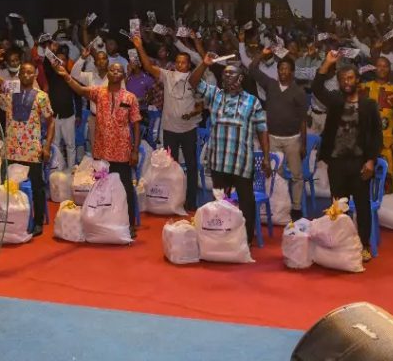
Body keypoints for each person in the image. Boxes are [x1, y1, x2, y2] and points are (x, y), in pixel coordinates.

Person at [189, 54, 270, 245]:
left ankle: (246, 239)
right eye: (224, 75)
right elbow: (193, 82)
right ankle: (219, 235)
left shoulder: (252, 101)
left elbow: (262, 130)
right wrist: (204, 64)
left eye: (230, 75)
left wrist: (266, 157)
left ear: (240, 78)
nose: (225, 78)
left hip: (242, 162)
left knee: (246, 203)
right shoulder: (215, 95)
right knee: (219, 202)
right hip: (218, 161)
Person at [55, 61, 142, 234]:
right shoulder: (98, 92)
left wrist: (134, 150)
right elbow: (80, 90)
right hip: (102, 151)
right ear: (107, 74)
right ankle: (105, 220)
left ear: (123, 75)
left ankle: (130, 223)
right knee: (102, 188)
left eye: (119, 70)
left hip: (122, 151)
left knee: (125, 187)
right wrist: (66, 76)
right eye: (112, 69)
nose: (115, 72)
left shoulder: (130, 97)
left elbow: (136, 125)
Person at [313, 50, 382, 262]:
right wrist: (327, 63)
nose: (346, 82)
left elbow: (377, 136)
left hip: (360, 164)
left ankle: (363, 245)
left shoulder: (369, 106)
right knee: (338, 208)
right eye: (343, 79)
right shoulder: (334, 102)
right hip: (337, 163)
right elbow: (316, 88)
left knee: (362, 208)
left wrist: (371, 161)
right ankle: (340, 244)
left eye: (350, 78)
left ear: (358, 80)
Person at [131, 36, 203, 212]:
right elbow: (148, 66)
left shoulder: (194, 79)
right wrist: (140, 47)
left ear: (188, 65)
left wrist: (192, 113)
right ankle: (172, 201)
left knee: (192, 166)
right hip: (170, 129)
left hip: (188, 129)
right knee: (171, 167)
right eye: (178, 62)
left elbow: (201, 105)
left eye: (183, 63)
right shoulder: (168, 75)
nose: (180, 65)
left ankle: (191, 202)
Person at [0, 61, 55, 237]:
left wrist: (47, 146)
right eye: (23, 73)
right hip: (10, 148)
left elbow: (50, 121)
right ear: (19, 75)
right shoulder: (9, 94)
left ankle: (38, 221)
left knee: (37, 186)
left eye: (30, 73)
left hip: (32, 148)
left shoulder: (42, 96)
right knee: (6, 186)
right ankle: (9, 218)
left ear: (34, 76)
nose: (26, 75)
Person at [250, 48, 308, 220]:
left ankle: (296, 209)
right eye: (280, 68)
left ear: (292, 72)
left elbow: (303, 121)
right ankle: (279, 208)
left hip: (292, 140)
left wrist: (303, 144)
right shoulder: (271, 85)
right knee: (278, 175)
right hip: (273, 139)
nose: (282, 71)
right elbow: (252, 69)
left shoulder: (299, 92)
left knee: (297, 176)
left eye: (286, 69)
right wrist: (263, 53)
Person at [359, 55, 393, 191]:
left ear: (389, 69)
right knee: (364, 176)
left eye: (385, 66)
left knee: (388, 178)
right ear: (374, 68)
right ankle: (366, 208)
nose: (382, 69)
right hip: (366, 142)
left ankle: (388, 208)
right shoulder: (364, 88)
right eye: (379, 65)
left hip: (387, 143)